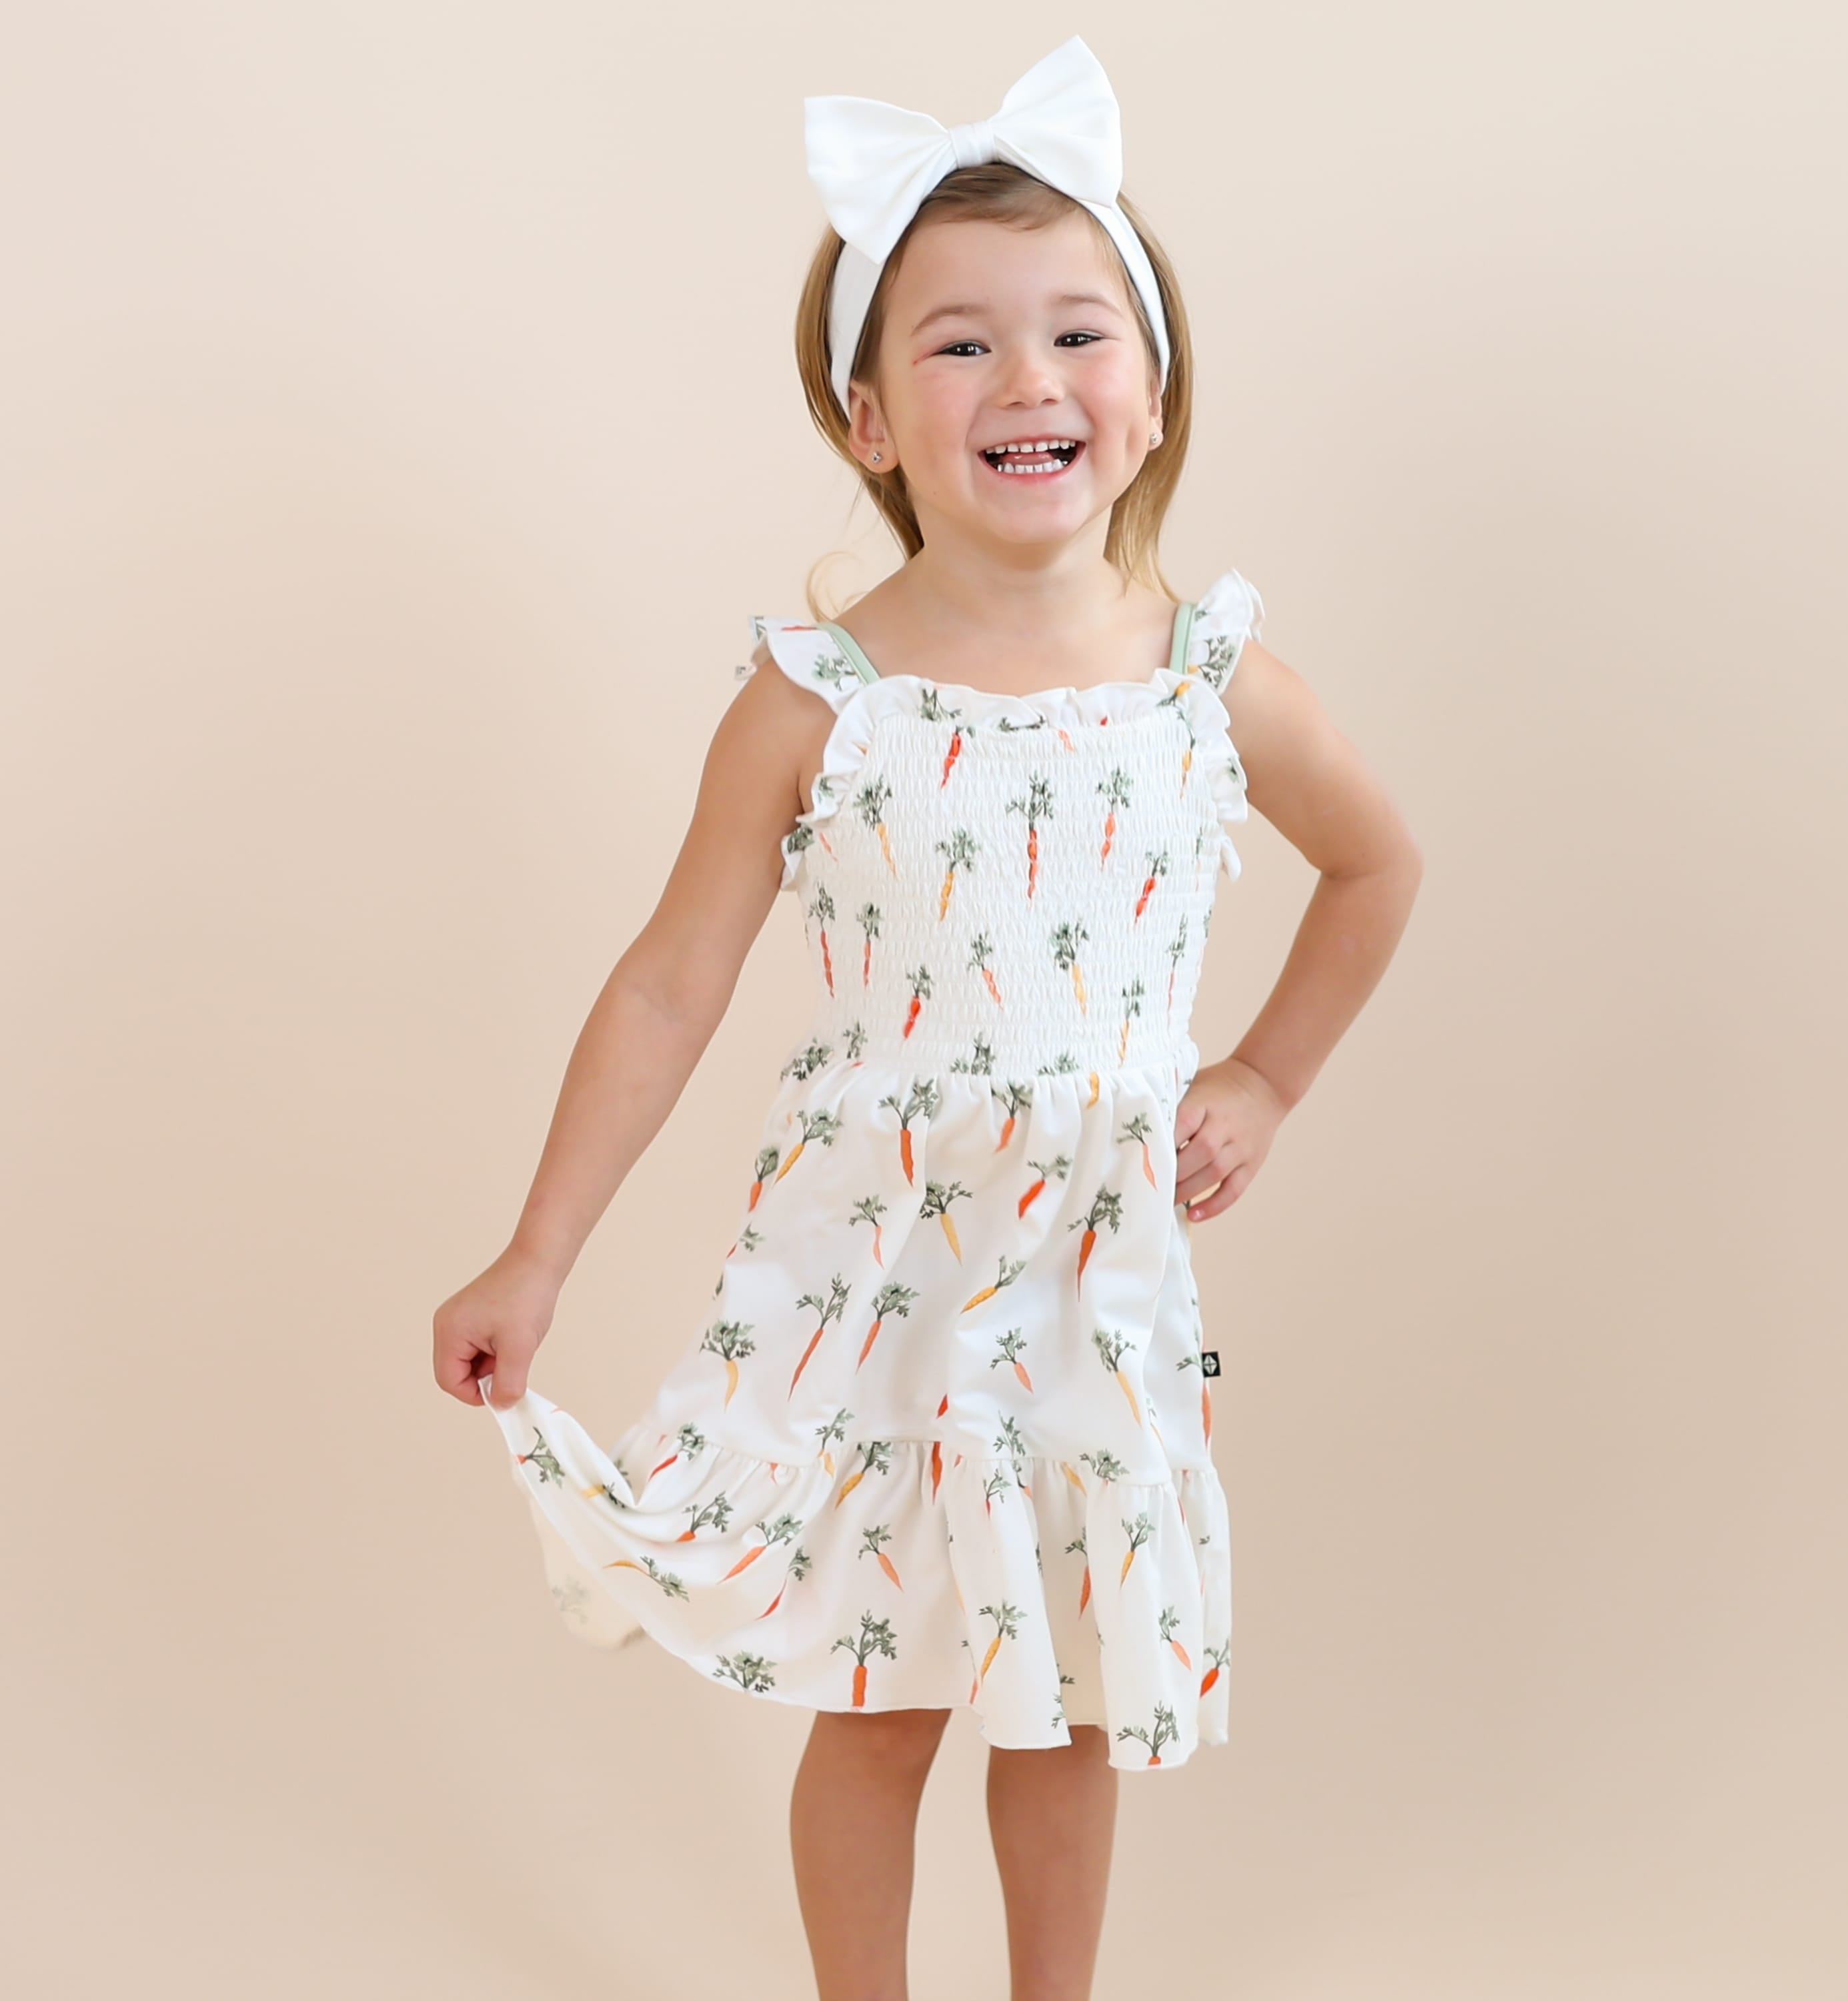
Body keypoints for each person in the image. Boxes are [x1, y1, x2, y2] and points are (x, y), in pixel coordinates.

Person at [433, 35, 1423, 2001]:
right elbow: (670, 977)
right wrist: (539, 1249)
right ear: (869, 418)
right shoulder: (820, 700)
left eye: (1078, 333)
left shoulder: (1212, 683)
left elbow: (1379, 865)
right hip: (878, 1272)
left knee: (1057, 1705)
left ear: (1148, 395)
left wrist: (1262, 1077)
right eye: (961, 348)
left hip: (1089, 1278)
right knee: (881, 1697)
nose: (1029, 381)